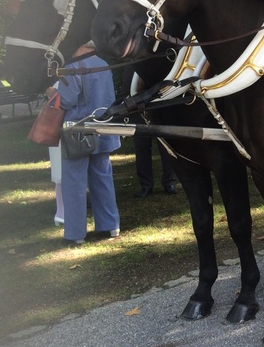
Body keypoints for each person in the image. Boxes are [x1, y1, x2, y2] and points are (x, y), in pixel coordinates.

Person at [55, 42, 120, 244]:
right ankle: (111, 226)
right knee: (103, 178)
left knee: (74, 182)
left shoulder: (72, 66)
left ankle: (75, 234)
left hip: (77, 130)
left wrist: (52, 95)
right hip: (102, 128)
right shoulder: (103, 64)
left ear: (81, 46)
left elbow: (67, 100)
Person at [120, 68, 177, 197]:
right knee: (142, 148)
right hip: (138, 110)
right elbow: (126, 90)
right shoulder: (132, 68)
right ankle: (146, 185)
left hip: (160, 107)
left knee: (166, 146)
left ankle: (170, 182)